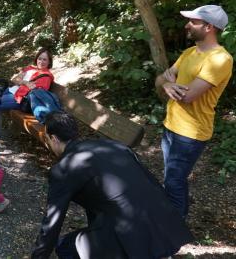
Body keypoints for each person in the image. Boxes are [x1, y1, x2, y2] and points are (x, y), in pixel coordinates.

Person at [31, 111, 193, 259]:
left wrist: (38, 256)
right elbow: (151, 183)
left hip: (133, 238)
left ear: (54, 139)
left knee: (65, 247)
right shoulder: (113, 146)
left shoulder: (64, 168)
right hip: (167, 229)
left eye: (47, 138)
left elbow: (52, 222)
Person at [155, 4, 233, 218]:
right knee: (171, 178)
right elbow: (161, 79)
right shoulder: (190, 53)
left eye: (193, 21)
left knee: (174, 180)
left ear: (209, 27)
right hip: (171, 125)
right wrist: (167, 85)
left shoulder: (220, 59)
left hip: (191, 133)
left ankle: (174, 232)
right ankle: (170, 220)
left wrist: (171, 83)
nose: (187, 25)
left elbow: (187, 96)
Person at [0, 47, 60, 123]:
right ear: (36, 59)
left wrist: (21, 81)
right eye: (40, 58)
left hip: (20, 99)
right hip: (12, 90)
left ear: (49, 62)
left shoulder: (46, 76)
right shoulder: (30, 68)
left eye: (44, 59)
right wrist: (25, 82)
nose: (41, 62)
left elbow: (35, 92)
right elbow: (15, 79)